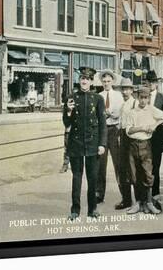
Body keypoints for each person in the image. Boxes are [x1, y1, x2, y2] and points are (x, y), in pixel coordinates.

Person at [62, 67, 107, 220]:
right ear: (79, 80)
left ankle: (92, 209)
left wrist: (102, 144)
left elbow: (102, 124)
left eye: (87, 79)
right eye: (82, 78)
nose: (84, 81)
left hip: (93, 145)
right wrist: (68, 111)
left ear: (91, 81)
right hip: (76, 144)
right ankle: (75, 210)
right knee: (76, 178)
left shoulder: (98, 99)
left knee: (92, 179)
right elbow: (66, 123)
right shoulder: (71, 98)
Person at [123, 87, 163, 214]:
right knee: (134, 175)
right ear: (137, 98)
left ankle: (149, 203)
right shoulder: (132, 112)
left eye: (146, 98)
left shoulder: (152, 110)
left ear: (149, 99)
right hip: (133, 145)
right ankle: (138, 203)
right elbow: (129, 130)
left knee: (148, 174)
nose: (143, 101)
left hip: (146, 145)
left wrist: (154, 125)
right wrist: (143, 128)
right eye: (141, 98)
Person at [95, 70, 124, 205]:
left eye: (108, 81)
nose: (106, 83)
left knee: (119, 163)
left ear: (112, 81)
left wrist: (110, 113)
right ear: (102, 82)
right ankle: (99, 194)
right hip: (103, 131)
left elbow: (120, 112)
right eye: (104, 81)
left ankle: (124, 194)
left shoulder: (118, 96)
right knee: (101, 164)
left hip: (114, 130)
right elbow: (97, 115)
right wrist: (104, 115)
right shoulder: (99, 96)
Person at [145, 70, 163, 200]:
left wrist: (155, 124)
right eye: (148, 82)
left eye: (153, 82)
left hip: (157, 136)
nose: (150, 84)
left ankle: (155, 194)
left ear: (157, 83)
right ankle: (145, 194)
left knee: (156, 166)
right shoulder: (142, 97)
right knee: (144, 166)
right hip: (143, 136)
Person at [115, 77, 136, 210]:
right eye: (123, 89)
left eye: (127, 89)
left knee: (133, 170)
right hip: (122, 136)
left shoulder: (135, 103)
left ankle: (139, 201)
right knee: (123, 170)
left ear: (132, 90)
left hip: (132, 138)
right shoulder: (123, 104)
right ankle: (126, 199)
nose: (125, 92)